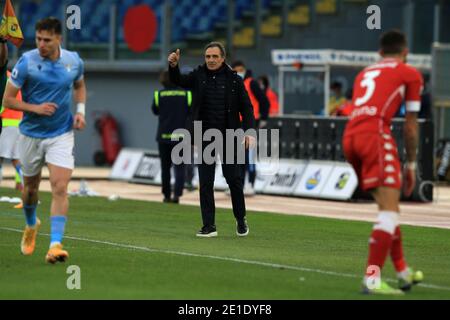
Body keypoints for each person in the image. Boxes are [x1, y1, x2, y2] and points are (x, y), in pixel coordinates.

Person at [343, 29, 424, 295]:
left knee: (388, 208)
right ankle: (373, 278)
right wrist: (411, 164)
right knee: (389, 211)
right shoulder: (410, 73)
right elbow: (411, 126)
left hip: (350, 137)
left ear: (379, 53)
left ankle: (402, 271)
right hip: (375, 136)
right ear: (406, 52)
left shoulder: (364, 73)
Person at [3, 17, 86, 264]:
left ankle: (55, 244)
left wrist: (80, 110)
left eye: (47, 40)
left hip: (61, 133)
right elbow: (8, 100)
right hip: (30, 134)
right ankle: (31, 223)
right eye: (38, 39)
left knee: (60, 187)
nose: (41, 44)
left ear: (59, 38)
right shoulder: (26, 62)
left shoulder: (73, 61)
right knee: (30, 190)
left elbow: (80, 86)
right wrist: (35, 108)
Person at [168, 42, 255, 237]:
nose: (211, 60)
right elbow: (179, 81)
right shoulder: (198, 75)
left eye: (215, 57)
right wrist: (173, 67)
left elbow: (247, 108)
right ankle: (209, 226)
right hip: (205, 136)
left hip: (230, 135)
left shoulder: (234, 80)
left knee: (234, 180)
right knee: (205, 181)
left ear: (223, 58)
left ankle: (240, 218)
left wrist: (250, 131)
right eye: (208, 57)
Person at [152, 71, 191, 204]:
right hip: (181, 136)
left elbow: (155, 111)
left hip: (163, 136)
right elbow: (191, 112)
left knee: (165, 167)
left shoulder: (158, 95)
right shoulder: (187, 94)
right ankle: (177, 195)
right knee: (180, 167)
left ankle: (166, 195)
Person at [231, 61, 269, 196]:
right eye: (236, 70)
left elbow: (264, 100)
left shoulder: (251, 83)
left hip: (250, 122)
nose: (239, 72)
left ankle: (251, 185)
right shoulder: (232, 83)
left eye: (241, 69)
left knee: (249, 156)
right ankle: (239, 185)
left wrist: (263, 118)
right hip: (236, 123)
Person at [0, 38, 25, 202]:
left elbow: (4, 102)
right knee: (16, 156)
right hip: (18, 122)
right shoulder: (15, 80)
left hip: (6, 122)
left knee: (1, 157)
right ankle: (20, 182)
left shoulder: (6, 80)